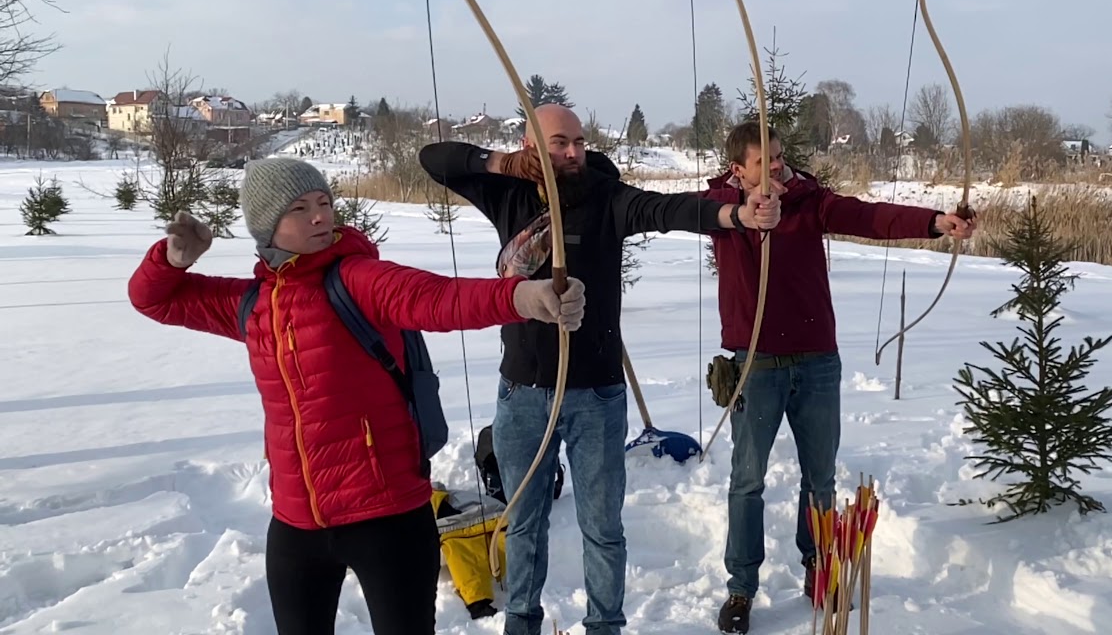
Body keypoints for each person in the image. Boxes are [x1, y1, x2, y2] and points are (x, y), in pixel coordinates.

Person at [127, 157, 587, 635]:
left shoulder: (357, 280)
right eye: (300, 208)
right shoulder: (251, 305)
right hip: (296, 526)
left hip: (388, 519)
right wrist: (172, 260)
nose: (320, 216)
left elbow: (438, 298)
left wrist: (522, 298)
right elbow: (153, 300)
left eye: (324, 203)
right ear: (266, 226)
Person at [419, 103, 780, 635]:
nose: (572, 153)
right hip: (522, 393)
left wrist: (737, 215)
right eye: (559, 143)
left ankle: (605, 626)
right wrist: (500, 164)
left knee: (603, 529)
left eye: (579, 142)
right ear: (530, 148)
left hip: (597, 397)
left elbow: (665, 209)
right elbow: (435, 159)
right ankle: (522, 623)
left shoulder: (604, 195)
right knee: (522, 523)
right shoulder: (509, 194)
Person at [702, 122, 977, 634]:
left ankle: (819, 570)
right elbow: (661, 209)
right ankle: (741, 588)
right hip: (754, 364)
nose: (778, 168)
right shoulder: (718, 207)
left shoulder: (809, 200)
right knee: (746, 481)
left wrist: (936, 221)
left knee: (820, 479)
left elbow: (869, 216)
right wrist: (739, 215)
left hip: (816, 362)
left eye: (781, 157)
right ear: (739, 170)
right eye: (765, 162)